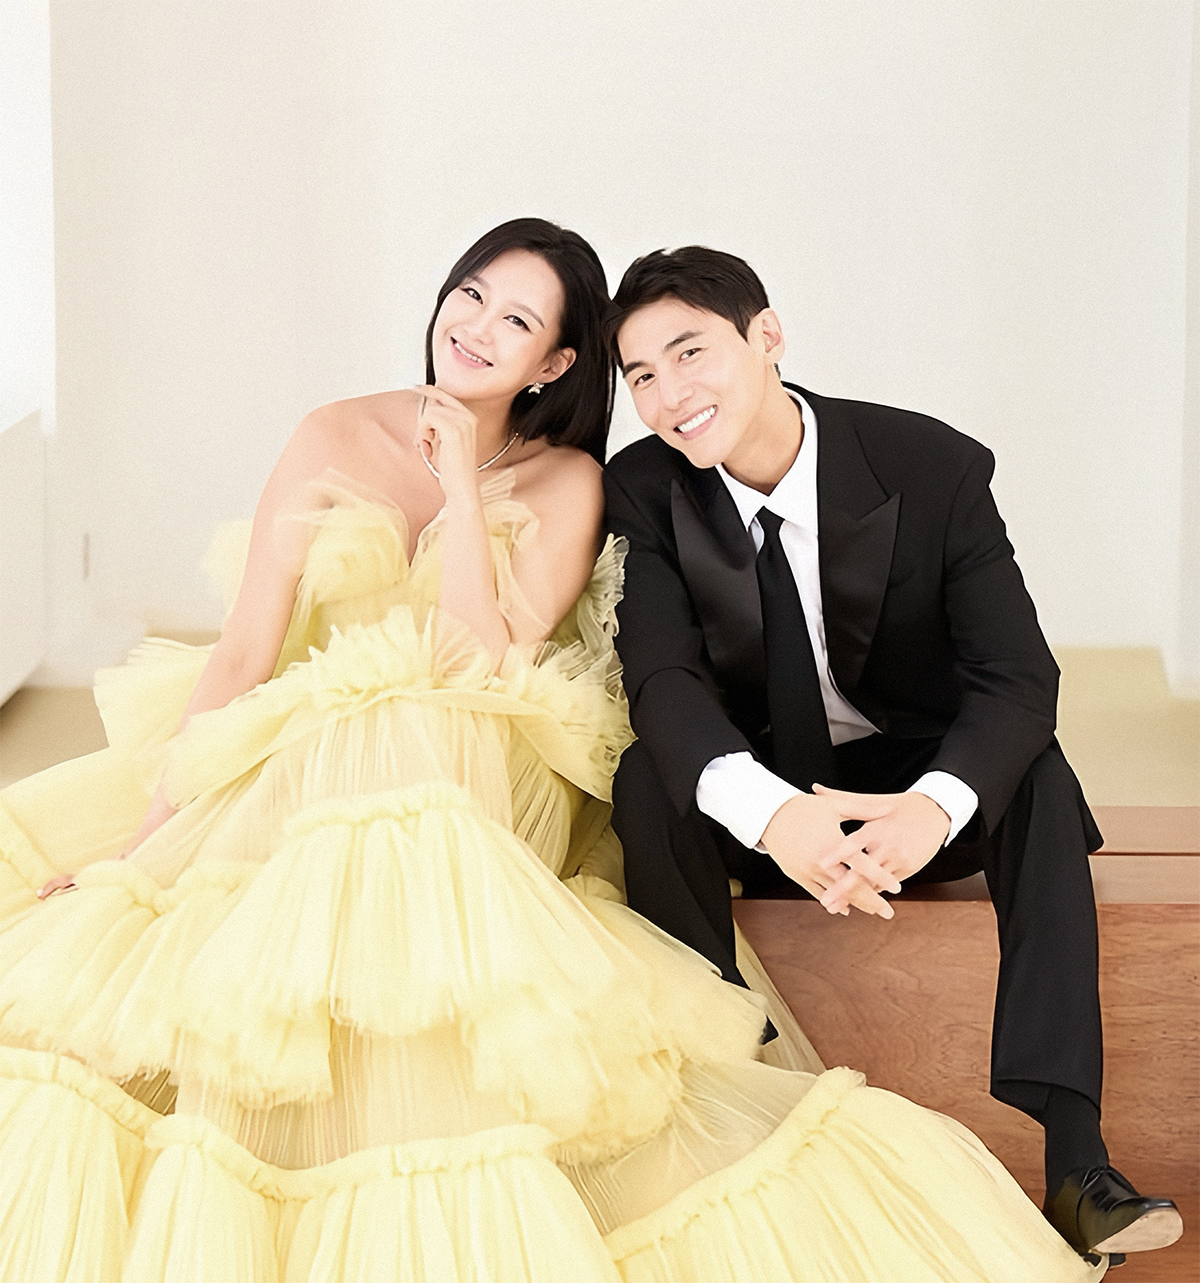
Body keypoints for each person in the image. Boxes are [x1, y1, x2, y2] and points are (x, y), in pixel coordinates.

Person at [0, 217, 1108, 1283]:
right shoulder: (337, 434)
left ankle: (1077, 1151)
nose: (477, 327)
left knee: (418, 730)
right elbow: (245, 650)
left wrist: (459, 485)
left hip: (470, 750)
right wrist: (146, 843)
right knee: (328, 797)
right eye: (471, 295)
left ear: (556, 363)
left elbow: (478, 660)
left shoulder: (579, 478)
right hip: (317, 750)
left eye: (518, 320)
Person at [602, 244, 1184, 1270]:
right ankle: (731, 1123)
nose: (669, 394)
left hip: (908, 783)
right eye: (641, 375)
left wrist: (933, 807)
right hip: (767, 800)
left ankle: (1079, 1162)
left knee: (1040, 776)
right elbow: (663, 682)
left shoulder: (930, 464)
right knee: (647, 778)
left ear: (768, 336)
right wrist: (774, 814)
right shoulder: (645, 488)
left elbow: (1017, 676)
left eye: (690, 353)